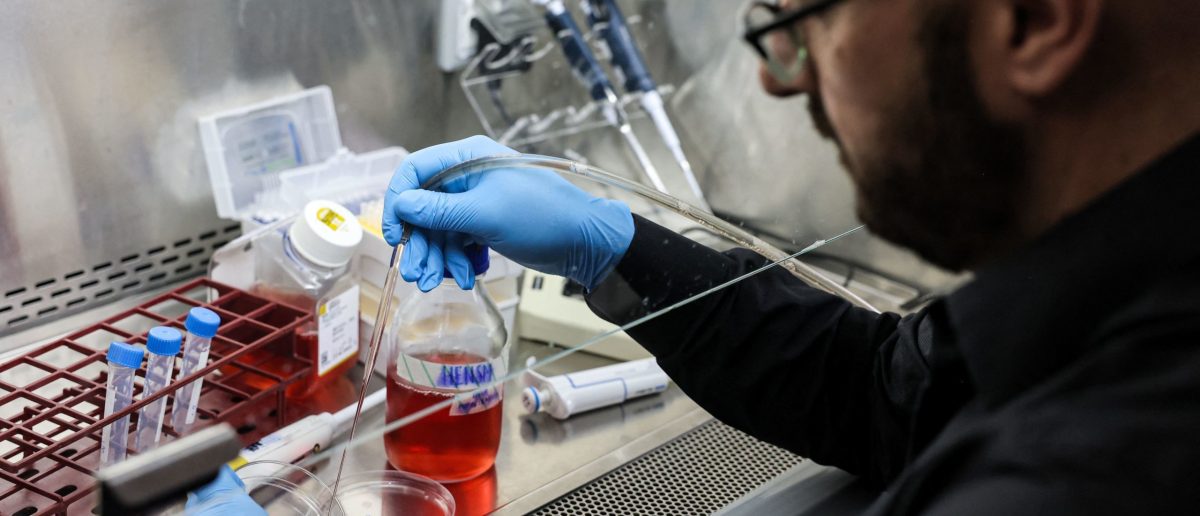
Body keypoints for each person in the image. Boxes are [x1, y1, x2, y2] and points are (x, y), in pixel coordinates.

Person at [383, 0, 1200, 514]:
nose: (780, 80)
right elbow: (883, 392)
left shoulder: (1090, 470)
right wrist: (612, 248)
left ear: (1033, 19)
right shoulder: (1117, 302)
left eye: (812, 20)